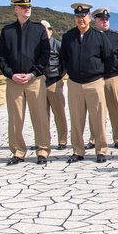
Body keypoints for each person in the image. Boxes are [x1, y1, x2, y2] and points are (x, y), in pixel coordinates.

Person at [0, 0, 51, 165]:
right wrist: (11, 74)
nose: (27, 8)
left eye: (29, 6)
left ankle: (42, 150)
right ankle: (18, 151)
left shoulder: (38, 29)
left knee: (40, 117)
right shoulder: (7, 31)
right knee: (15, 118)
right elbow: (2, 57)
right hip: (14, 81)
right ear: (16, 9)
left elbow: (45, 55)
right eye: (23, 6)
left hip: (34, 80)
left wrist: (33, 73)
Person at [61, 3, 114, 163]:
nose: (80, 19)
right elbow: (65, 58)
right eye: (77, 17)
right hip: (75, 83)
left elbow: (109, 58)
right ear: (74, 18)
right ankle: (78, 151)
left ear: (89, 17)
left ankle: (101, 150)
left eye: (83, 16)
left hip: (95, 82)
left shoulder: (99, 36)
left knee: (98, 118)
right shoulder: (68, 37)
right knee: (76, 119)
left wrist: (99, 73)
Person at [92, 8, 118, 149]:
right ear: (95, 21)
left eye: (106, 19)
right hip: (94, 79)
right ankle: (94, 139)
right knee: (95, 110)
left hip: (111, 78)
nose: (105, 21)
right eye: (101, 19)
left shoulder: (116, 37)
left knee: (115, 109)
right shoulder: (91, 36)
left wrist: (114, 67)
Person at [40, 20, 68, 150]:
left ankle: (62, 140)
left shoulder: (58, 45)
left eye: (46, 29)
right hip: (39, 84)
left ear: (50, 30)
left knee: (59, 113)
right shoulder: (36, 46)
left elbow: (65, 64)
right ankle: (42, 141)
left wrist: (59, 77)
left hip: (54, 82)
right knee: (41, 115)